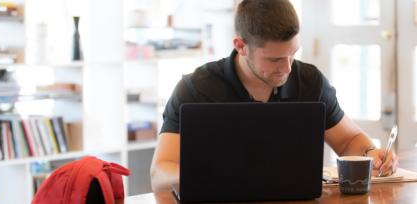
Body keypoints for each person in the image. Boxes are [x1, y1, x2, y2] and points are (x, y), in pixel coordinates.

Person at [150, 0, 398, 192]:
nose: (288, 68)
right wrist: (215, 178)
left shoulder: (310, 82)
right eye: (275, 59)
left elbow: (348, 141)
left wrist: (370, 154)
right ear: (241, 46)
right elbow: (160, 173)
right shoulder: (196, 89)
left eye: (292, 54)